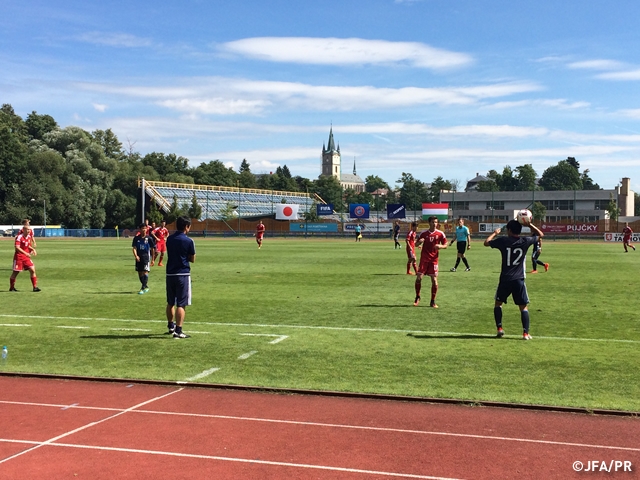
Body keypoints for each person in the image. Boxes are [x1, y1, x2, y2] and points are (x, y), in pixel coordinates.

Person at [484, 219, 544, 340]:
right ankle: (525, 333)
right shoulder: (525, 241)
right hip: (519, 279)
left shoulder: (503, 241)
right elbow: (540, 235)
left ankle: (499, 328)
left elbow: (486, 242)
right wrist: (529, 224)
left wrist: (495, 233)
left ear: (509, 230)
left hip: (505, 279)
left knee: (498, 304)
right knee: (523, 307)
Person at [166, 216, 196, 339]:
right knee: (181, 304)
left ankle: (170, 326)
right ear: (186, 227)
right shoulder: (189, 241)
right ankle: (178, 330)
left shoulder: (169, 239)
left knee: (170, 302)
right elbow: (192, 259)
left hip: (170, 274)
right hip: (182, 273)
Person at [414, 216, 448, 308]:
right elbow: (415, 244)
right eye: (433, 222)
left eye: (436, 222)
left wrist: (440, 246)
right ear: (429, 223)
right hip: (424, 259)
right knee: (419, 278)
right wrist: (419, 242)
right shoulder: (424, 233)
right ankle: (417, 296)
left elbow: (446, 244)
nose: (434, 224)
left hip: (434, 260)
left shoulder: (440, 234)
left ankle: (432, 301)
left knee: (434, 281)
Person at [9, 219, 41, 292]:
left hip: (26, 257)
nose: (29, 231)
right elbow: (17, 247)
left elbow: (27, 246)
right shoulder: (19, 237)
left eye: (29, 230)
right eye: (27, 230)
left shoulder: (29, 237)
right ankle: (11, 288)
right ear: (23, 230)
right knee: (15, 272)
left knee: (32, 269)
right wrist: (26, 253)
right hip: (19, 257)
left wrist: (33, 249)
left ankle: (35, 287)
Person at [132, 224, 155, 294]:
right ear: (140, 229)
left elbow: (152, 249)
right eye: (142, 228)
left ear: (147, 229)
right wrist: (136, 256)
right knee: (140, 272)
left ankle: (142, 288)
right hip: (139, 257)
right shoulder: (136, 238)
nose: (144, 230)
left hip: (146, 257)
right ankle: (146, 286)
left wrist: (153, 259)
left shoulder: (149, 238)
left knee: (145, 271)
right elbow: (134, 248)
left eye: (145, 228)